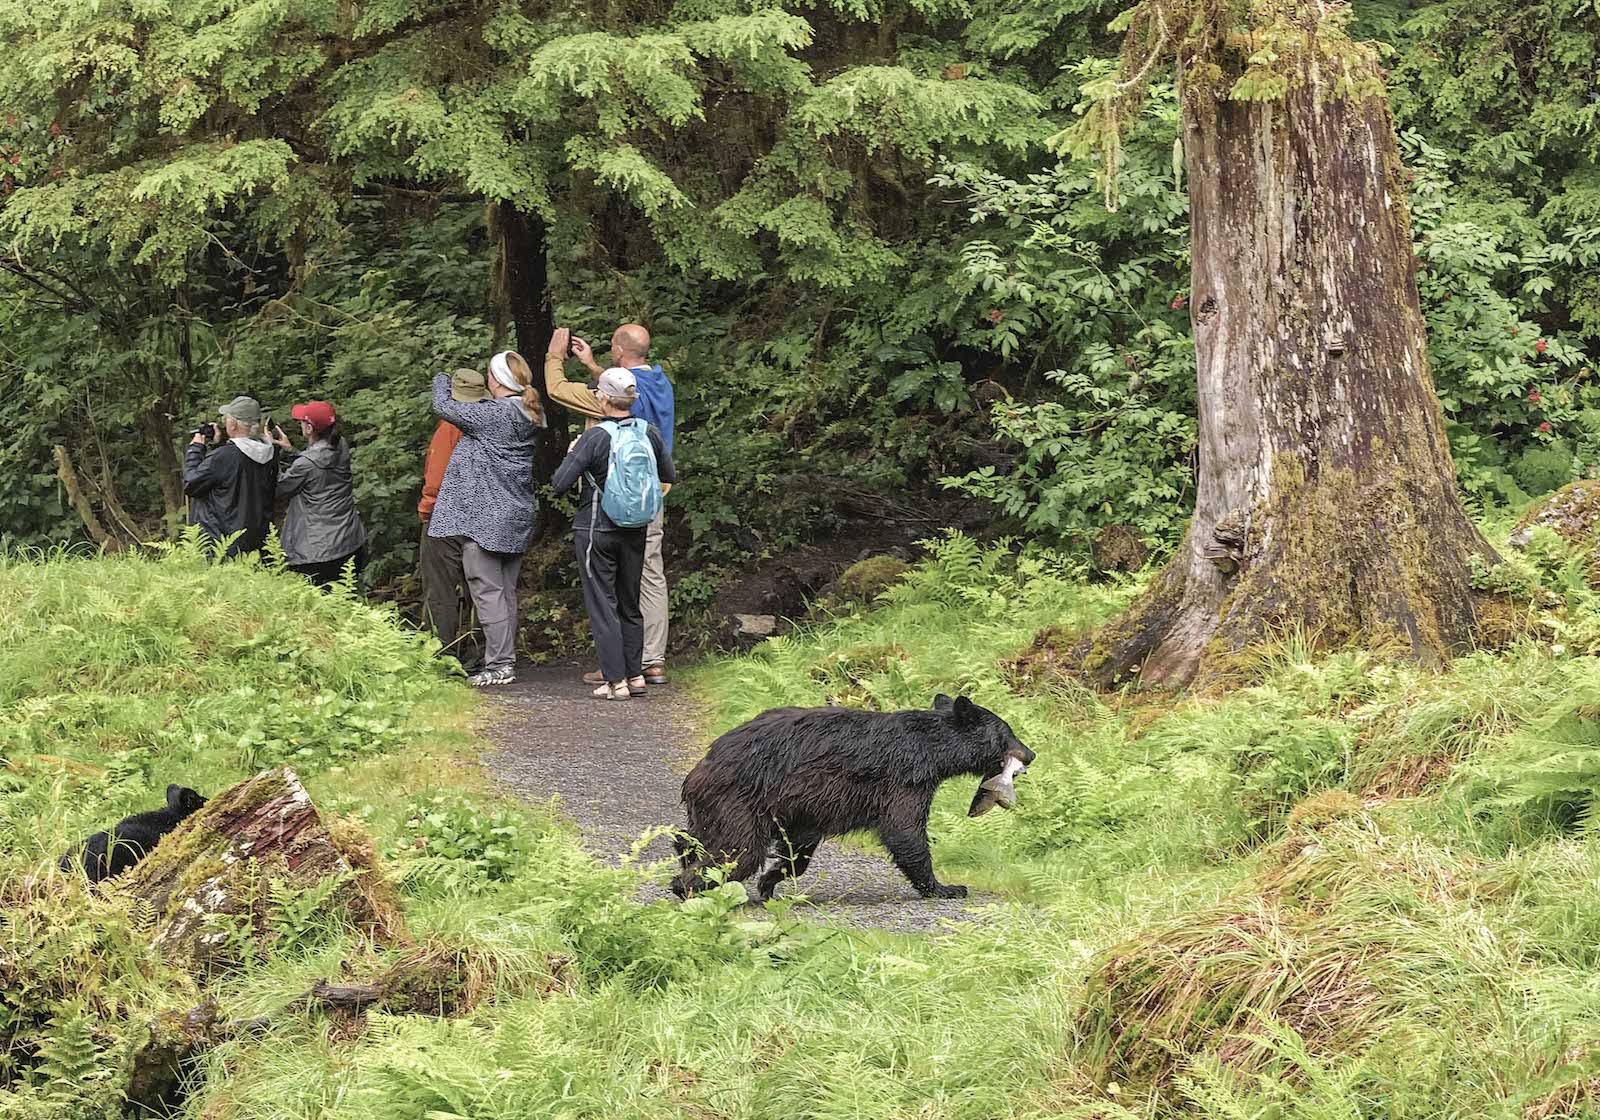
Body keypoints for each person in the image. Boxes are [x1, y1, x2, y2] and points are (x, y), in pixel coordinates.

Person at [555, 323, 677, 686]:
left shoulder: (598, 434)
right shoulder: (660, 384)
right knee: (649, 576)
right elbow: (627, 391)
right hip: (650, 495)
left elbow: (564, 390)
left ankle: (619, 671)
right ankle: (650, 662)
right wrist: (594, 366)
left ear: (619, 351)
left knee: (607, 589)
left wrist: (557, 357)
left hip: (607, 505)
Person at [426, 351, 544, 688]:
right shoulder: (529, 411)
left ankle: (500, 665)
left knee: (486, 590)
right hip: (516, 512)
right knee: (505, 592)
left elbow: (443, 406)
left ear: (494, 381)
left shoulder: (494, 413)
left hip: (486, 517)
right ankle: (504, 660)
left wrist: (441, 378)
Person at [417, 369, 492, 659]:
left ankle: (440, 653)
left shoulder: (450, 426)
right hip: (484, 515)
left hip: (446, 518)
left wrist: (426, 510)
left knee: (441, 590)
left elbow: (436, 479)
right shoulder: (493, 420)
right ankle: (482, 655)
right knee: (480, 589)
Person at [270, 400, 368, 589]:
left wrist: (271, 452)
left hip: (317, 552)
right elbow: (318, 469)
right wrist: (291, 451)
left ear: (309, 428)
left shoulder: (306, 464)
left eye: (302, 422)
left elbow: (279, 489)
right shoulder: (341, 445)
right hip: (350, 541)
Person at [184, 395, 278, 559]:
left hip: (222, 544)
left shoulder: (224, 457)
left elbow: (191, 484)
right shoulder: (270, 452)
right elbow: (236, 478)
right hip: (255, 542)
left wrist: (195, 450)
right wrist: (217, 446)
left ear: (233, 424)